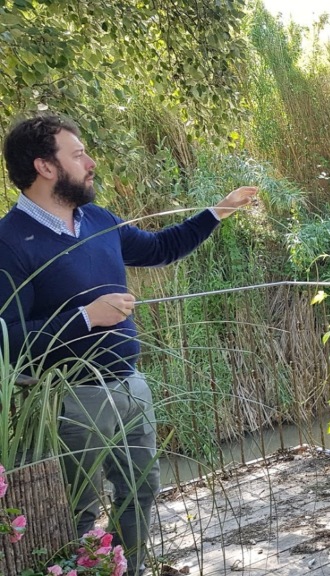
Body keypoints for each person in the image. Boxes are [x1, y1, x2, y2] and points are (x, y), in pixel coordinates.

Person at [0, 114, 258, 576]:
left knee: (140, 491)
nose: (90, 162)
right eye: (77, 154)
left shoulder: (97, 219)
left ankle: (125, 569)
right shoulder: (9, 241)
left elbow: (159, 249)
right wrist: (85, 317)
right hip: (65, 400)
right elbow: (7, 339)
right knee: (72, 511)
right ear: (45, 166)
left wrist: (218, 211)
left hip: (129, 385)